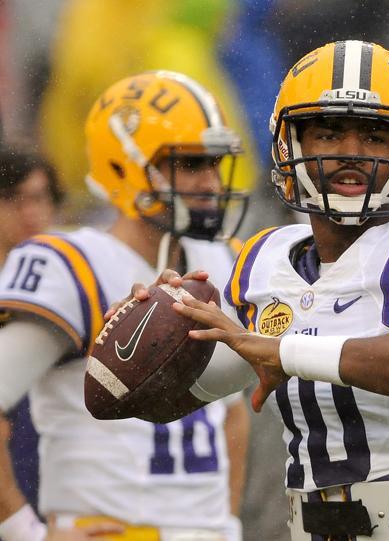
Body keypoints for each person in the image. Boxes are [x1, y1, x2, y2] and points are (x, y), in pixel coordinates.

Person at [118, 41, 389, 541]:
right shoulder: (264, 260)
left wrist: (287, 352)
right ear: (291, 147)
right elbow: (161, 402)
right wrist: (149, 336)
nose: (351, 154)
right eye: (328, 133)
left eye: (375, 136)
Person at [0, 71, 249, 541]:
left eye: (215, 164)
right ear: (124, 167)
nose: (212, 184)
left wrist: (228, 520)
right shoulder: (71, 264)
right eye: (192, 164)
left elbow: (231, 415)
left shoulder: (224, 259)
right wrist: (22, 531)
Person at [0, 145, 64, 514]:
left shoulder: (78, 278)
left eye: (38, 198)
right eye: (13, 199)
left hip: (52, 458)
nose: (30, 212)